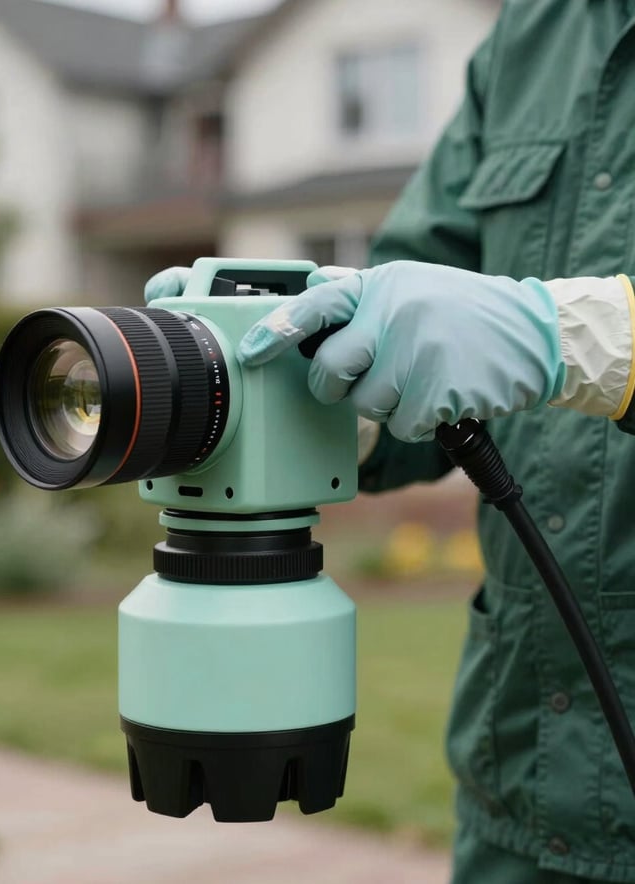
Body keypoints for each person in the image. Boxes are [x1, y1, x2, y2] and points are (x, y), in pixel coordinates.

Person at [144, 2, 635, 881]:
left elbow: (516, 336)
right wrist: (294, 397)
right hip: (517, 798)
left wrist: (588, 338)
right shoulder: (539, 32)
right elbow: (410, 317)